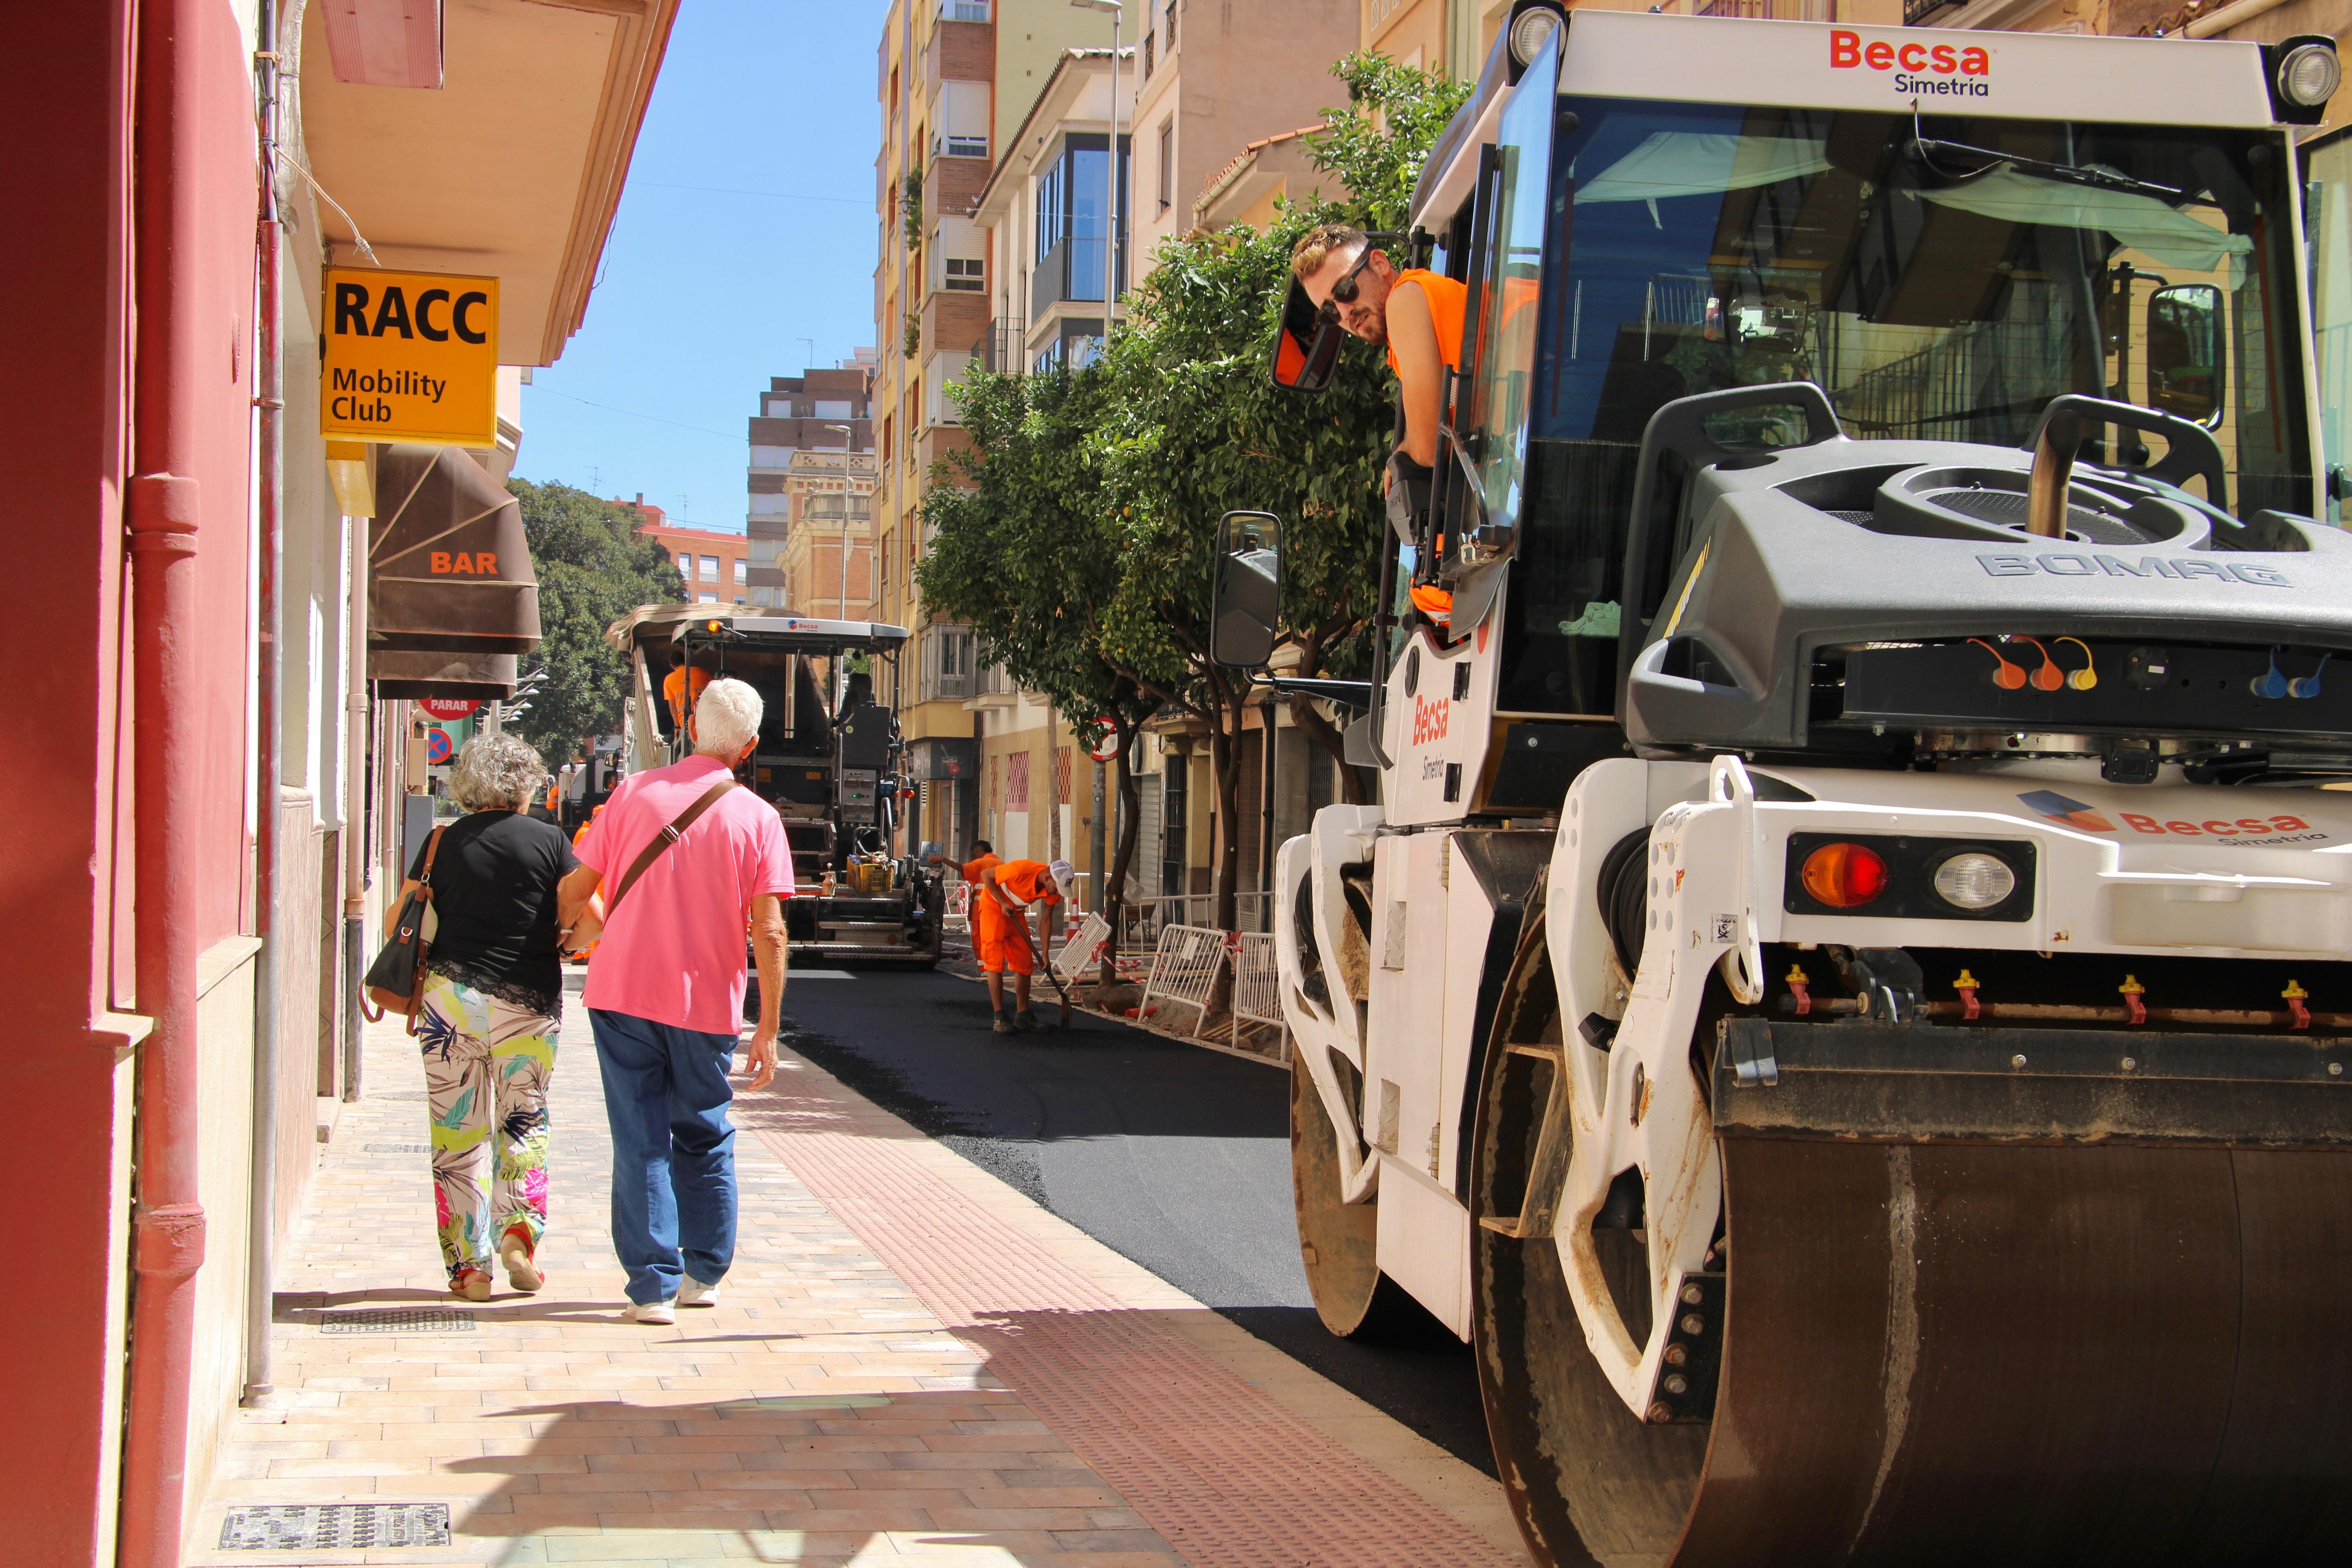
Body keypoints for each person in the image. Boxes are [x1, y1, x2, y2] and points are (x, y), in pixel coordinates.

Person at [558, 677, 792, 1324]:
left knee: (640, 1139)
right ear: (748, 746)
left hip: (622, 993)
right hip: (707, 1005)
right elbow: (769, 929)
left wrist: (571, 929)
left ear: (692, 728)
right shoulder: (759, 819)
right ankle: (704, 1273)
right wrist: (768, 1025)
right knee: (705, 1133)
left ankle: (651, 1285)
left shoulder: (633, 794)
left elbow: (577, 889)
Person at [394, 731, 596, 1303]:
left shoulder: (441, 842)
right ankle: (518, 1236)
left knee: (457, 1135)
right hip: (528, 1004)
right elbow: (594, 921)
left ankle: (469, 1269)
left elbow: (398, 921)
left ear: (467, 786)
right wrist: (557, 942)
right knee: (523, 1123)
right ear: (526, 786)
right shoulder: (551, 841)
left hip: (449, 1005)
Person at [1291, 223, 1467, 625]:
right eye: (1331, 312)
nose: (1346, 313)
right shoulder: (1426, 310)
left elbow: (1427, 450)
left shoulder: (1406, 297)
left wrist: (1401, 455)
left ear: (1380, 264)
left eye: (1346, 291)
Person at [977, 857, 1075, 1033]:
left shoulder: (1054, 890)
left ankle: (1023, 1015)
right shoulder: (1019, 870)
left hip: (1016, 912)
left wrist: (1045, 954)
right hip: (994, 907)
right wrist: (1002, 902)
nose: (1057, 893)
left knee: (1024, 961)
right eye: (1057, 888)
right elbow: (986, 875)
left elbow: (1046, 920)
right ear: (1048, 878)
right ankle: (999, 1017)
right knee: (995, 961)